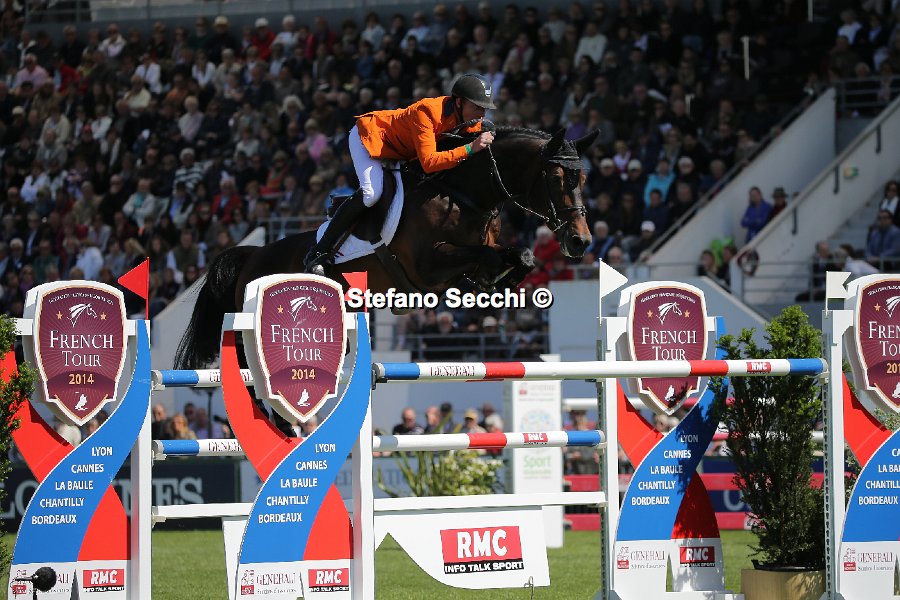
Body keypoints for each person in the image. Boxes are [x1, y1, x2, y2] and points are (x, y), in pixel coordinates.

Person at [304, 73, 497, 274]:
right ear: (459, 102)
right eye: (477, 107)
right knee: (371, 193)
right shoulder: (427, 111)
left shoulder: (470, 119)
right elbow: (430, 163)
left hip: (402, 153)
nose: (482, 113)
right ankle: (319, 251)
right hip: (370, 139)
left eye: (484, 109)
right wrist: (470, 148)